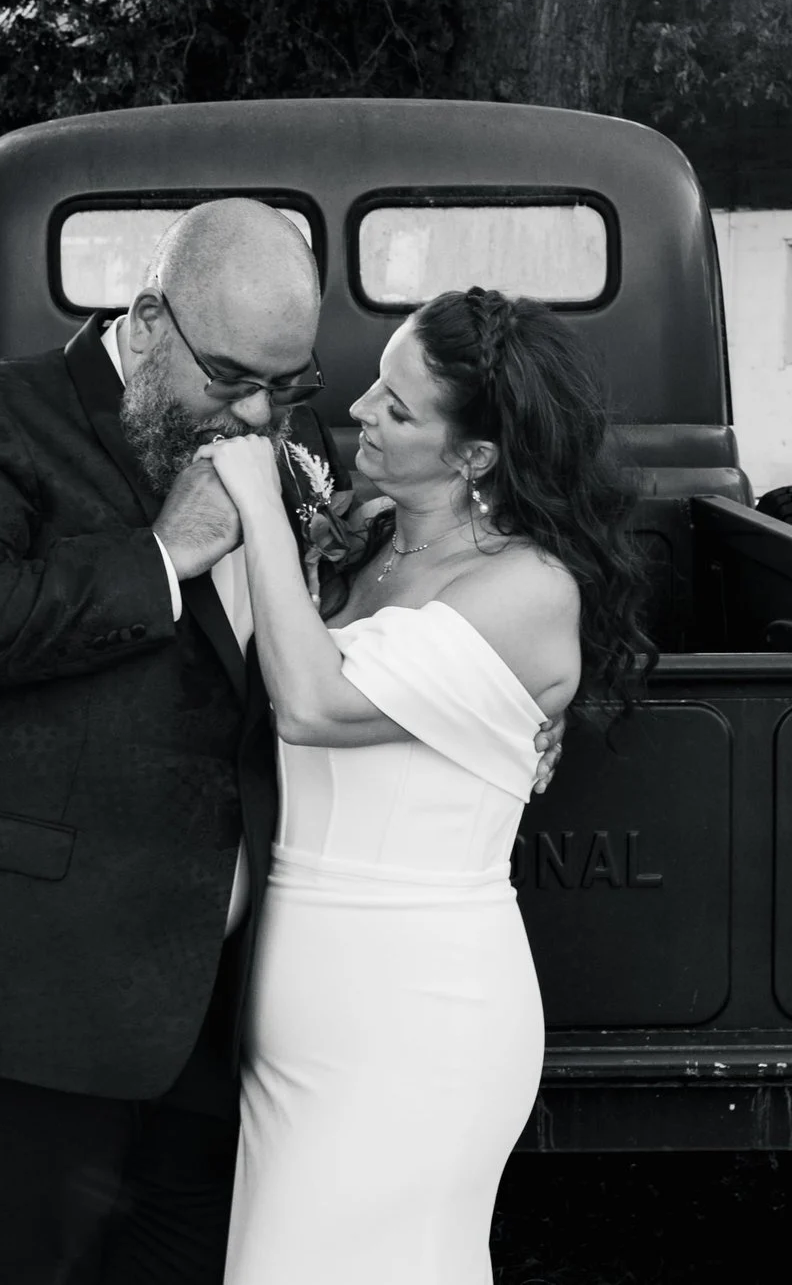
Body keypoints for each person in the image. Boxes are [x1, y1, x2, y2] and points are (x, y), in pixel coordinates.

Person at [0, 201, 563, 1285]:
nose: (264, 412)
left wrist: (485, 696)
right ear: (151, 318)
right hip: (10, 995)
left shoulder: (273, 437)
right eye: (234, 378)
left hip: (197, 1008)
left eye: (290, 384)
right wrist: (165, 551)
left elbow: (341, 639)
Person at [197, 285, 653, 1285]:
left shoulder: (526, 586)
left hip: (415, 1011)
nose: (360, 410)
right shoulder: (365, 545)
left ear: (474, 455)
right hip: (297, 995)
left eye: (398, 408)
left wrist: (259, 510)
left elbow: (312, 701)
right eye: (375, 385)